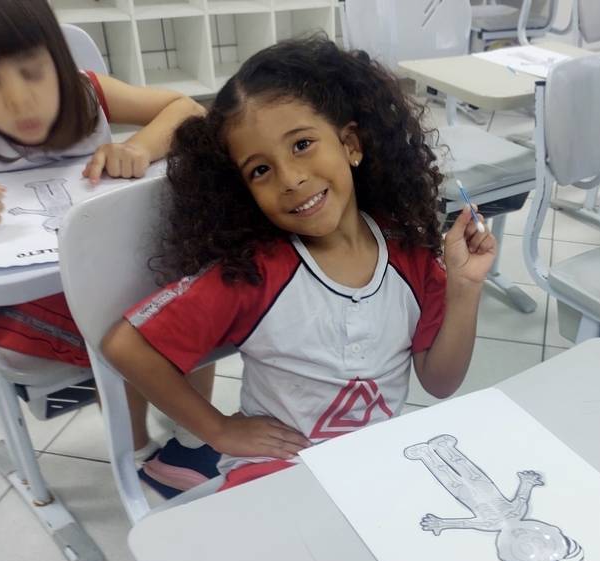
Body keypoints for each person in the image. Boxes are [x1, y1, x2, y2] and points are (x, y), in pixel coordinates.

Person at [101, 38, 494, 490]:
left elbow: (440, 383)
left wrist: (464, 287)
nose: (290, 179)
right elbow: (126, 346)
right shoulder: (254, 274)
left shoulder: (410, 253)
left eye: (302, 144)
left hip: (373, 468)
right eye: (260, 170)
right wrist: (218, 430)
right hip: (276, 475)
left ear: (350, 144)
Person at [0, 0, 217, 498]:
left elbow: (187, 110)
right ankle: (138, 452)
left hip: (108, 269)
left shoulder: (87, 94)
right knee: (125, 333)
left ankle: (194, 434)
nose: (20, 100)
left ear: (57, 58)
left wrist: (138, 147)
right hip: (22, 302)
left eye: (33, 71)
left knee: (197, 299)